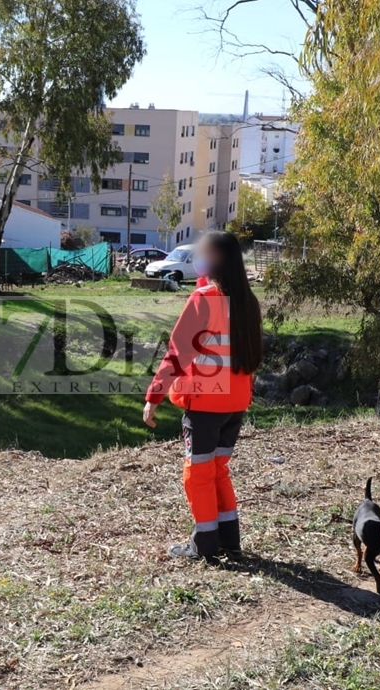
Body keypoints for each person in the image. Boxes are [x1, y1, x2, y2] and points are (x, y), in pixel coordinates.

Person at [143, 231, 263, 562]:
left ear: (216, 260)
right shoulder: (248, 301)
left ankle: (205, 544)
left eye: (202, 253)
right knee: (218, 470)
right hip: (235, 404)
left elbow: (177, 354)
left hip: (205, 404)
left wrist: (154, 396)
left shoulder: (203, 300)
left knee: (197, 474)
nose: (198, 257)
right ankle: (230, 541)